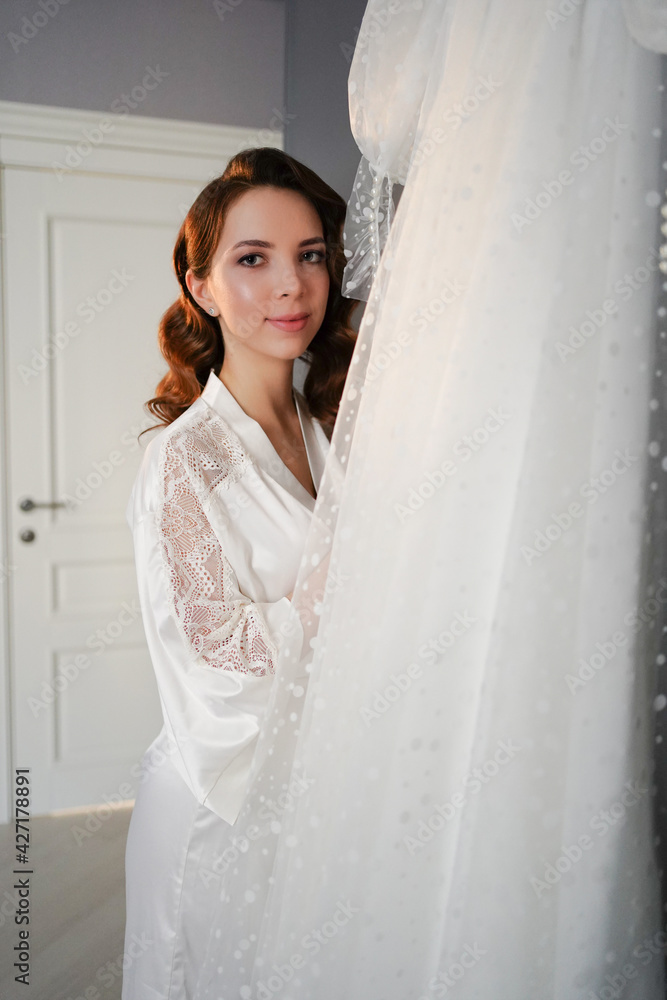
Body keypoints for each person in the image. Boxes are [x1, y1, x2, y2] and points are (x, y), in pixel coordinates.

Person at [120, 146, 357, 998]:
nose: (290, 286)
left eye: (310, 256)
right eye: (251, 260)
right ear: (200, 286)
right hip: (221, 811)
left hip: (316, 796)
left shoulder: (332, 426)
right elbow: (214, 653)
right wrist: (326, 606)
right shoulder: (185, 463)